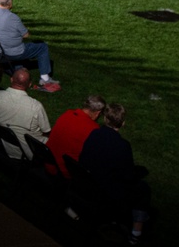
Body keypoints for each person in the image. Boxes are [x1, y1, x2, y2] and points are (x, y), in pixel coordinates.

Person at [79, 103, 152, 243]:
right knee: (143, 189)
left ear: (105, 118)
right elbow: (128, 176)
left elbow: (83, 159)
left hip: (90, 183)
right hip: (107, 191)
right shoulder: (122, 146)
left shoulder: (95, 134)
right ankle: (136, 233)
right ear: (123, 123)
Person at [0, 0, 59, 91]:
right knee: (42, 47)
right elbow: (26, 35)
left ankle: (18, 69)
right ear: (10, 3)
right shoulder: (13, 18)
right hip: (14, 52)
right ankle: (45, 79)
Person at [0, 67, 51, 159]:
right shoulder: (35, 106)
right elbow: (47, 132)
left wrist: (0, 117)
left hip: (8, 149)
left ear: (11, 79)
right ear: (29, 84)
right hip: (32, 153)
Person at [44, 93, 106, 178]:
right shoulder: (93, 129)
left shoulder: (67, 114)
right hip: (65, 172)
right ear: (98, 113)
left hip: (48, 161)